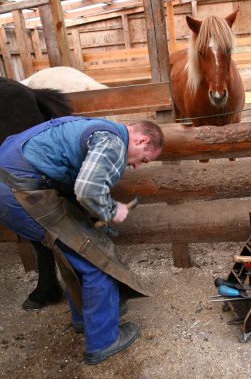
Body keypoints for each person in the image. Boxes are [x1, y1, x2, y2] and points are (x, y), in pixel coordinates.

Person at [0, 115, 164, 365]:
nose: (138, 166)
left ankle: (84, 320)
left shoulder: (96, 126)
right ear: (142, 140)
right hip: (20, 191)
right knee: (98, 263)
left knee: (74, 253)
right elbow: (87, 189)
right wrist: (111, 210)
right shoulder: (112, 142)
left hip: (10, 182)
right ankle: (103, 341)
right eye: (143, 159)